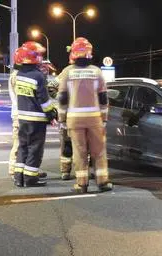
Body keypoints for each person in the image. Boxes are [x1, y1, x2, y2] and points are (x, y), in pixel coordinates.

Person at [57, 37, 112, 194]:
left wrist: (62, 119)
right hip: (94, 118)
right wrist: (105, 118)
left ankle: (82, 184)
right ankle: (103, 182)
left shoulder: (67, 72)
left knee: (79, 151)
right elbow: (103, 98)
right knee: (99, 151)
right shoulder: (97, 72)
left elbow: (62, 98)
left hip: (74, 120)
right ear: (89, 53)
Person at [13, 42, 56, 187]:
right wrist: (52, 114)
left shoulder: (19, 75)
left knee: (23, 147)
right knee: (35, 149)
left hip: (23, 118)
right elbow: (43, 100)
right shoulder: (38, 76)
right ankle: (30, 178)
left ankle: (19, 177)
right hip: (36, 119)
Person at [8, 48, 47, 180]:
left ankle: (22, 172)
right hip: (25, 114)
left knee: (23, 145)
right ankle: (16, 171)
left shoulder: (17, 74)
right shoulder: (21, 75)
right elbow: (37, 97)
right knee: (22, 145)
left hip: (21, 114)